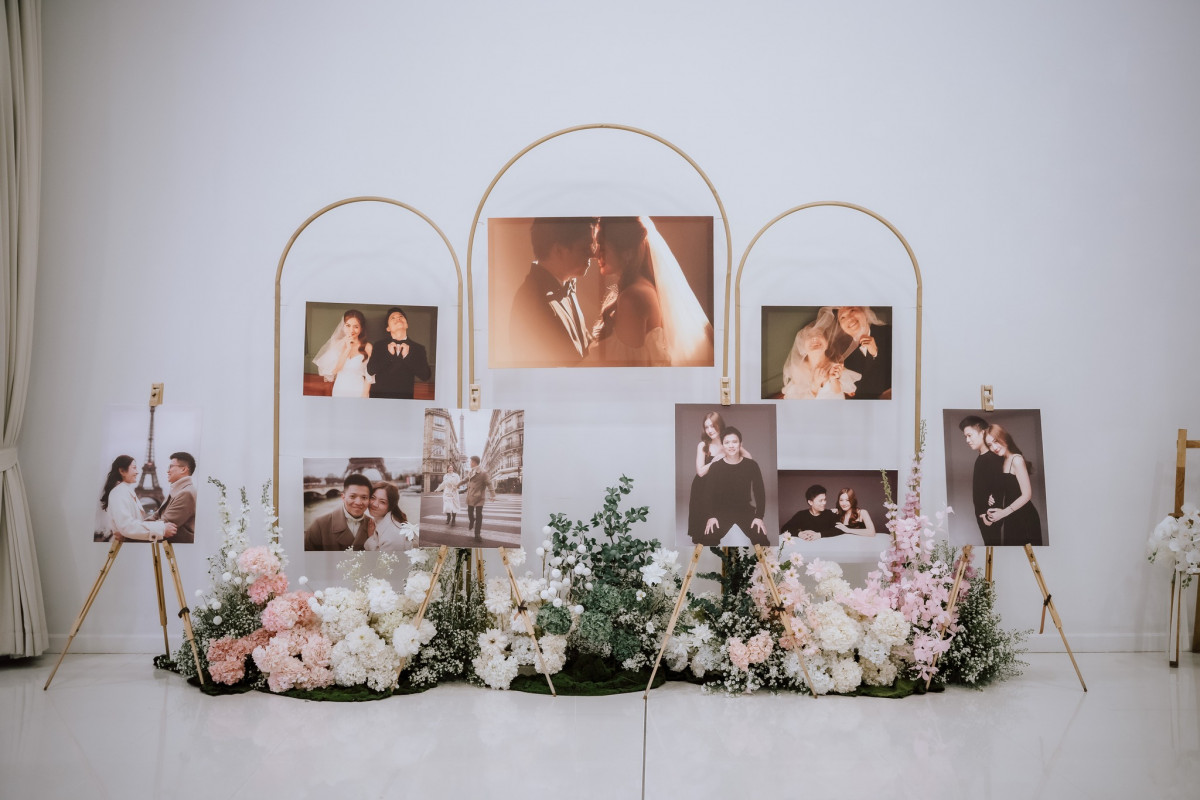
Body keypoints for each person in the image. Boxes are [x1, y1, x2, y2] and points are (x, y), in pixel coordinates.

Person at [591, 217, 713, 366]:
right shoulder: (640, 288)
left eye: (603, 247)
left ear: (627, 253)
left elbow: (629, 368)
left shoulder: (632, 297)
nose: (596, 254)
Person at [508, 217, 596, 366]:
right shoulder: (533, 302)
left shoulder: (564, 284)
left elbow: (585, 348)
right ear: (558, 250)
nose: (592, 254)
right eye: (585, 248)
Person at [686, 411, 753, 542]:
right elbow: (700, 472)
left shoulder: (728, 443)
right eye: (706, 427)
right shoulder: (703, 445)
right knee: (701, 529)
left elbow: (750, 460)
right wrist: (717, 459)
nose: (710, 430)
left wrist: (738, 446)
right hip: (702, 487)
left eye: (713, 426)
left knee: (715, 526)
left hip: (719, 489)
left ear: (720, 425)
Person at [697, 427, 768, 546]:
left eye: (734, 442)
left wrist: (759, 517)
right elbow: (708, 494)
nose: (731, 446)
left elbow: (759, 492)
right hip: (721, 512)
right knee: (708, 540)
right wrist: (711, 516)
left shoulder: (751, 465)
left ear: (740, 444)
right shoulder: (715, 467)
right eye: (727, 442)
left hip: (745, 510)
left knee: (762, 540)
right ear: (722, 445)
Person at [983, 424, 1043, 546]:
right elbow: (1008, 488)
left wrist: (1003, 513)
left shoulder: (1016, 459)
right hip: (1011, 516)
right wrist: (992, 496)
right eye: (990, 445)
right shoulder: (1002, 460)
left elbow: (1027, 495)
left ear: (1004, 438)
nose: (994, 447)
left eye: (996, 441)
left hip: (1025, 517)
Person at [780, 307, 859, 399]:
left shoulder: (835, 365)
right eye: (809, 336)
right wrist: (815, 385)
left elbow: (838, 392)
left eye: (819, 334)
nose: (814, 338)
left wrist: (834, 379)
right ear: (802, 346)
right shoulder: (799, 369)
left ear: (827, 343)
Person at [100, 455, 177, 542]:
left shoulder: (124, 491)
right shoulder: (119, 492)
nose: (137, 472)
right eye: (134, 468)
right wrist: (161, 529)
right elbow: (127, 526)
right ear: (122, 471)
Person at [366, 307, 431, 399]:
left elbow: (425, 376)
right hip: (379, 398)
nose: (398, 319)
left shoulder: (418, 348)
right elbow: (370, 370)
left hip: (404, 400)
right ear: (388, 328)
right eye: (393, 318)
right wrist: (388, 355)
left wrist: (407, 356)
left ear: (407, 325)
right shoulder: (378, 345)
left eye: (401, 316)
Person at [959, 415, 1004, 544]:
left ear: (982, 432)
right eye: (965, 437)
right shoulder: (982, 457)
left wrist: (987, 518)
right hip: (984, 517)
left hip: (989, 519)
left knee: (994, 549)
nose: (967, 440)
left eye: (969, 435)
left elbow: (998, 493)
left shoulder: (992, 458)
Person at [304, 474, 375, 551]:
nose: (358, 502)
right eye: (352, 496)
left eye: (364, 497)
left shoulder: (374, 525)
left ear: (369, 500)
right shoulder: (319, 525)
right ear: (343, 497)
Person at [311, 310, 373, 397]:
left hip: (359, 389)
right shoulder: (336, 344)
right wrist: (347, 349)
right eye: (348, 325)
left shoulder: (368, 347)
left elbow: (369, 375)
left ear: (361, 328)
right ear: (343, 326)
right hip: (339, 388)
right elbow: (335, 371)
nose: (351, 330)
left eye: (356, 327)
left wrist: (365, 394)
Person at [835, 306, 892, 399]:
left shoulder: (890, 332)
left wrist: (875, 353)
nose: (849, 318)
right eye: (842, 317)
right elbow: (859, 390)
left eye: (852, 310)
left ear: (865, 312)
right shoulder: (840, 353)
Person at [150, 451, 197, 544]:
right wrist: (134, 528)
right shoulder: (177, 491)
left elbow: (164, 523)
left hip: (178, 549)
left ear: (183, 469)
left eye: (171, 467)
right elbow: (156, 516)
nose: (168, 471)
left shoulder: (186, 493)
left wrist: (133, 531)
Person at [364, 483, 415, 552]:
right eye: (373, 498)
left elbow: (382, 558)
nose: (374, 504)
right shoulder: (378, 522)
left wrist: (371, 537)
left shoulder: (393, 534)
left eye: (382, 502)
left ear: (390, 506)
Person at [465, 456, 494, 540]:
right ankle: (471, 520)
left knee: (479, 515)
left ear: (474, 462)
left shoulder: (483, 472)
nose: (470, 463)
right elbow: (465, 479)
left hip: (479, 497)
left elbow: (489, 483)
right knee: (470, 512)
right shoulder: (470, 472)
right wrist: (457, 485)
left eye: (471, 462)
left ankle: (477, 534)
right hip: (471, 495)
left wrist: (492, 495)